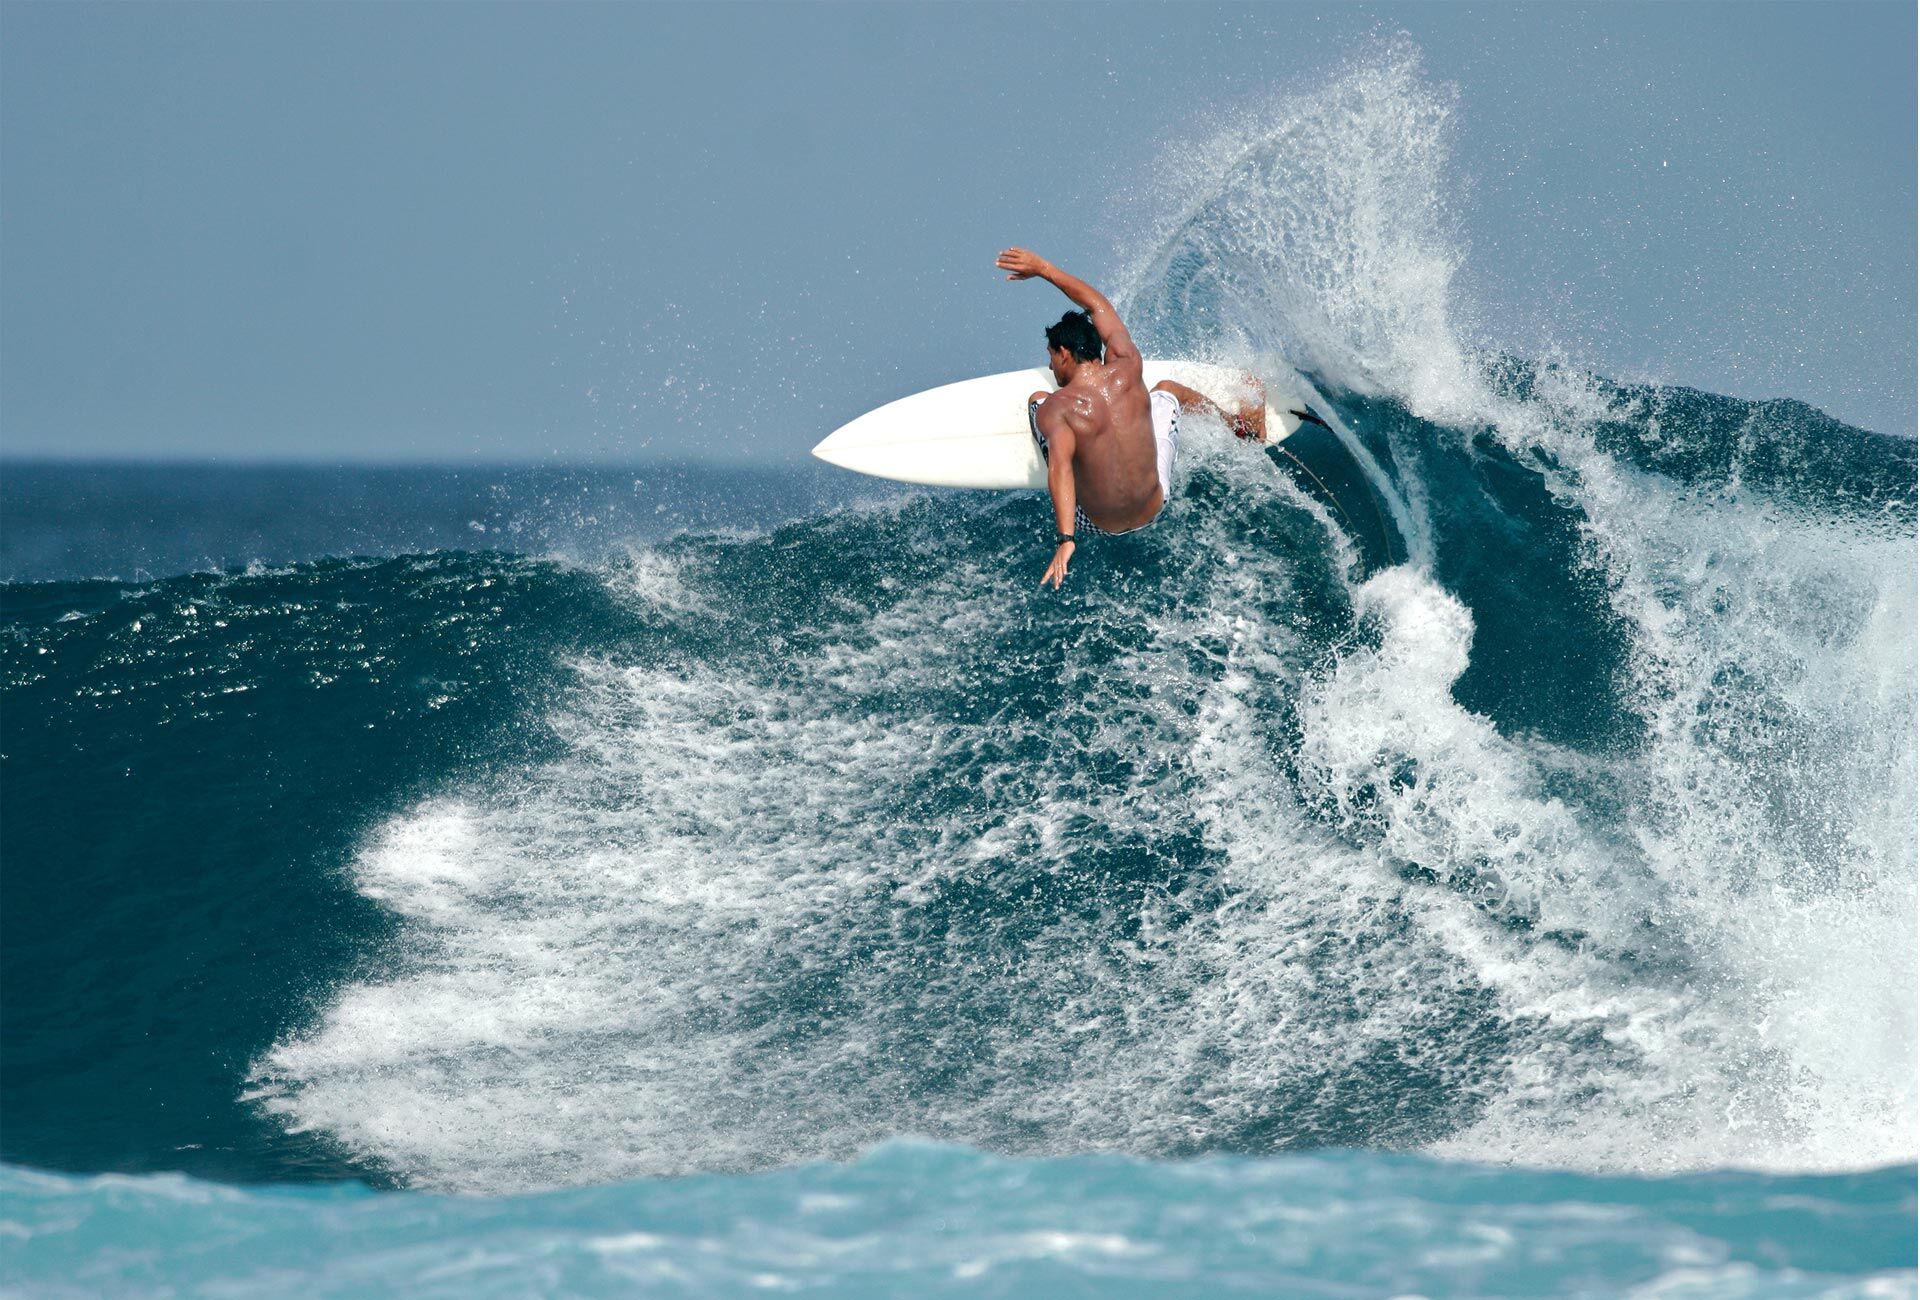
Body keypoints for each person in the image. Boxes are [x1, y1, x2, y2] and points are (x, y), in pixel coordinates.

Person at [996, 247, 1262, 589]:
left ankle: (1082, 451)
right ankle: (1240, 425)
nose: (1050, 366)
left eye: (1051, 357)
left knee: (1037, 402)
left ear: (1064, 353)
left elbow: (1059, 467)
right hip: (1155, 502)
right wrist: (1044, 268)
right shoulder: (1128, 363)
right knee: (1167, 389)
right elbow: (1097, 306)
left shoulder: (1058, 407)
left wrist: (1066, 539)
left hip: (1096, 522)